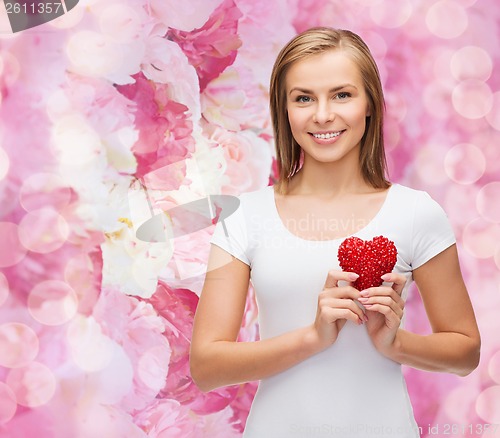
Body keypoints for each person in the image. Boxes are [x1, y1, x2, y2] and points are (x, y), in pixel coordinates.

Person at [190, 27, 481, 438]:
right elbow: (205, 367)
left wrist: (395, 344)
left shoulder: (416, 213)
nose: (322, 115)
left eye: (342, 94)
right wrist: (312, 337)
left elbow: (465, 351)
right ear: (284, 109)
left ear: (370, 105)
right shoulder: (244, 217)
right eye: (303, 98)